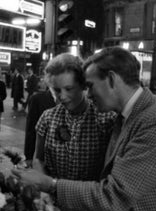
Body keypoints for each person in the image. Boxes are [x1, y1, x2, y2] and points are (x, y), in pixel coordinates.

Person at [14, 47, 156, 211]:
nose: (89, 94)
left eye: (90, 86)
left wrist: (51, 185)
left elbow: (117, 194)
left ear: (111, 79)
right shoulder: (126, 115)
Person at [31, 53, 116, 182]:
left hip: (90, 198)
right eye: (57, 90)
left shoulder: (106, 119)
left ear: (83, 85)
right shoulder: (47, 118)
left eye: (69, 89)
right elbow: (38, 159)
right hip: (53, 197)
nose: (62, 96)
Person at [23, 86, 56, 164]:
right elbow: (31, 130)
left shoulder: (73, 99)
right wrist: (28, 157)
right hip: (45, 159)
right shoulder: (37, 99)